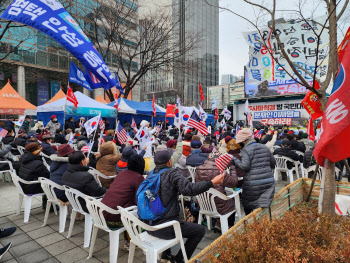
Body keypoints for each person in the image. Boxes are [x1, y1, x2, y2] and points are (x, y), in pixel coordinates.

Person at [148, 147, 225, 263]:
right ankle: (178, 260)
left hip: (149, 225)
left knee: (165, 211)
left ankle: (165, 255)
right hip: (166, 228)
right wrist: (212, 182)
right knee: (199, 231)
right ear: (169, 161)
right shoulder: (172, 173)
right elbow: (189, 189)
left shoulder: (150, 174)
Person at [231, 129, 276, 216]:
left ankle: (252, 225)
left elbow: (245, 166)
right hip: (268, 182)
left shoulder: (246, 150)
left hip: (252, 184)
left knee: (248, 206)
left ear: (244, 141)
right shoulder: (264, 147)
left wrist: (234, 159)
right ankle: (265, 224)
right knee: (264, 205)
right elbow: (273, 162)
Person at [101, 154, 145, 232]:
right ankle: (134, 239)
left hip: (101, 214)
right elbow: (139, 200)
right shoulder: (138, 178)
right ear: (141, 165)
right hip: (114, 219)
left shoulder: (121, 174)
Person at [195, 158, 238, 228]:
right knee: (231, 201)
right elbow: (234, 183)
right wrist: (232, 168)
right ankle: (228, 226)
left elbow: (197, 186)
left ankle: (218, 222)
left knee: (220, 197)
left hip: (204, 204)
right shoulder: (220, 170)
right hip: (219, 206)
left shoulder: (198, 169)